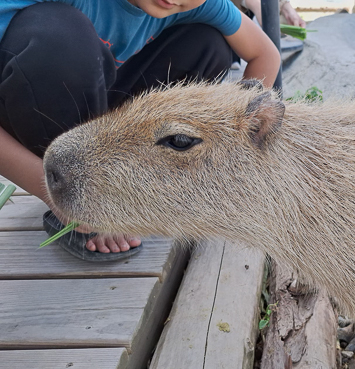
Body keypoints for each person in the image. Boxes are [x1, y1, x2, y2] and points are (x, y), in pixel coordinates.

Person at [0, 0, 280, 261]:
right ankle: (76, 188)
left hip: (101, 102)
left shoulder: (198, 4)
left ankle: (124, 185)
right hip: (32, 96)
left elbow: (265, 54)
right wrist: (46, 187)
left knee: (209, 42)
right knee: (58, 36)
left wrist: (240, 133)